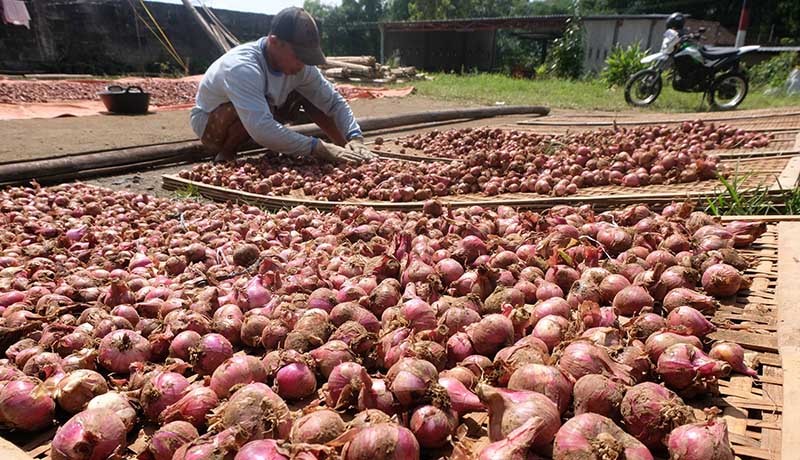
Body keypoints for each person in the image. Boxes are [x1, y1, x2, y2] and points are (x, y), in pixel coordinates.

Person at [189, 6, 375, 164]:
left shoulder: (301, 68)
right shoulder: (242, 67)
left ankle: (345, 149)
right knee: (254, 109)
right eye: (298, 56)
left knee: (312, 95)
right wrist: (317, 147)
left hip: (260, 119)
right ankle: (226, 156)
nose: (302, 64)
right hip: (212, 125)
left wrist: (355, 137)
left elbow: (333, 102)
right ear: (274, 42)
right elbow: (260, 126)